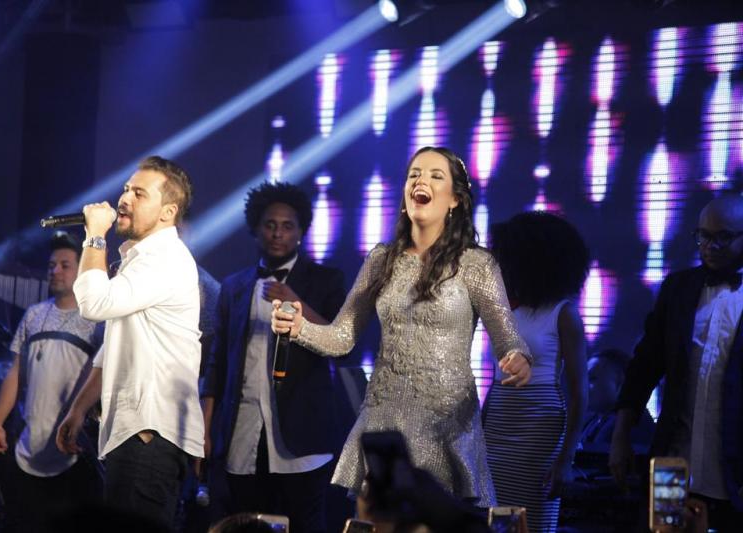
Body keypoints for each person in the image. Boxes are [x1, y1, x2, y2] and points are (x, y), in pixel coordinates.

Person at [271, 146, 532, 509]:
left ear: (455, 199)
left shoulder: (476, 264)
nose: (421, 181)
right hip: (385, 423)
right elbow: (342, 337)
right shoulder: (382, 259)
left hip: (446, 425)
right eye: (414, 174)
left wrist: (517, 357)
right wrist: (300, 328)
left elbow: (507, 337)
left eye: (435, 176)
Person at [56, 156, 204, 530]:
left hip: (148, 438)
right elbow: (114, 348)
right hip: (137, 436)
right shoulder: (141, 260)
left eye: (139, 193)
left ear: (168, 212)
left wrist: (94, 235)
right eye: (126, 189)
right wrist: (79, 408)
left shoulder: (165, 258)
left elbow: (93, 304)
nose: (124, 199)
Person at [199, 182, 347, 533]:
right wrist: (204, 431)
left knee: (305, 525)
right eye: (270, 224)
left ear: (301, 232)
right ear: (256, 229)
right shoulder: (234, 286)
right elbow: (217, 364)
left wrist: (296, 300)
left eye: (287, 226)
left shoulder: (325, 280)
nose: (278, 233)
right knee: (245, 524)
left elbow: (343, 342)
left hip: (302, 436)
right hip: (243, 432)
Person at [610, 195, 743, 531]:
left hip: (735, 475)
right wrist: (620, 434)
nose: (710, 246)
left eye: (723, 237)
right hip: (672, 466)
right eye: (703, 236)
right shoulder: (679, 288)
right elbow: (644, 366)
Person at [481, 211, 589, 533]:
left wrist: (566, 459)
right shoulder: (505, 310)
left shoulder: (563, 314)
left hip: (539, 425)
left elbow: (579, 392)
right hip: (498, 422)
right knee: (495, 518)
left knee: (534, 518)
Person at [0, 232, 103, 532]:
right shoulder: (34, 315)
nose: (55, 271)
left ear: (81, 271)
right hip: (28, 446)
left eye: (65, 265)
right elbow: (15, 372)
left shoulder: (96, 321)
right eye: (51, 265)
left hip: (72, 449)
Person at [580, 349, 654, 452]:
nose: (583, 386)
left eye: (592, 378)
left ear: (621, 383)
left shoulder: (633, 423)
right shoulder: (593, 421)